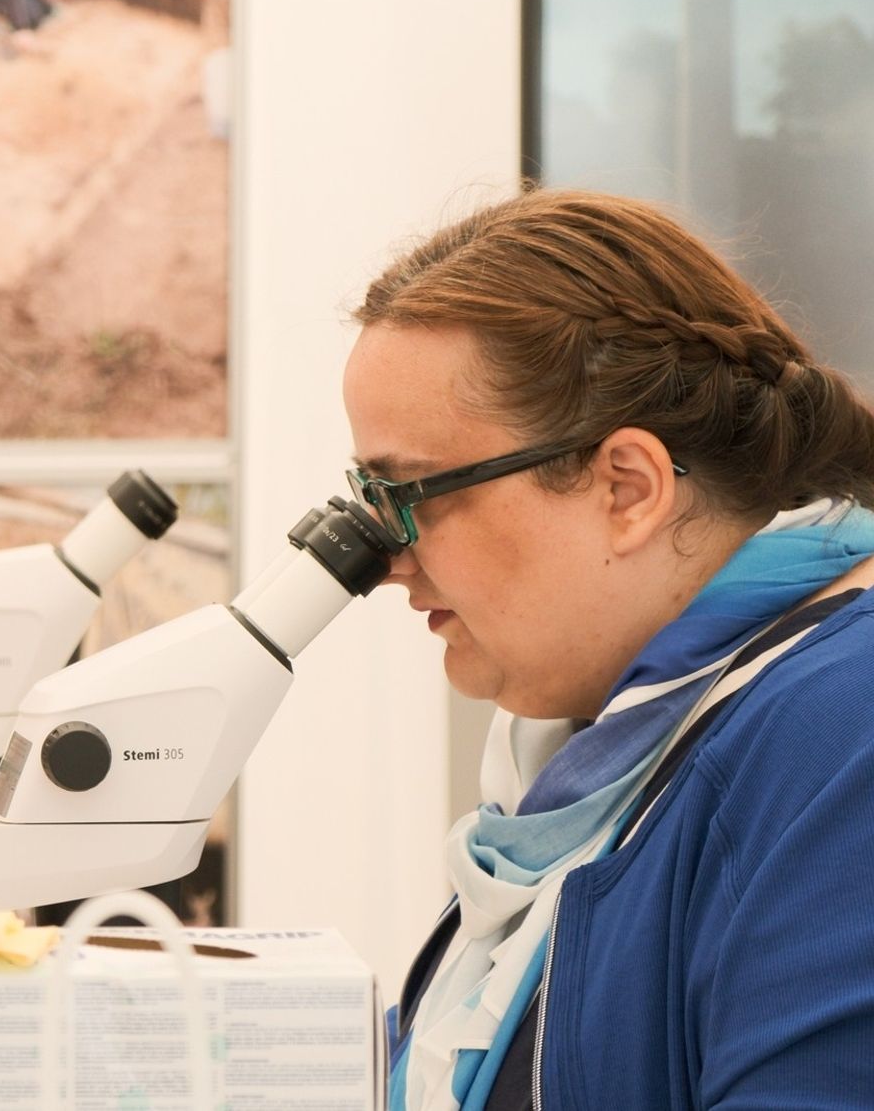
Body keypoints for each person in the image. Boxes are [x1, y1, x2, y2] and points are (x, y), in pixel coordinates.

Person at [343, 189, 874, 1109]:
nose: (385, 561)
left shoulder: (843, 730)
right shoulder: (586, 763)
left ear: (627, 487)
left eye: (412, 497)